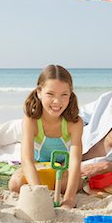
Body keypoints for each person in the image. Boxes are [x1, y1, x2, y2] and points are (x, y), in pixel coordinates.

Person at [8, 65, 83, 209]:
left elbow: (75, 161)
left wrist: (69, 198)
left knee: (76, 184)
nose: (57, 101)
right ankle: (44, 187)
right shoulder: (31, 120)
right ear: (39, 92)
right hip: (38, 168)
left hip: (61, 172)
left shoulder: (75, 123)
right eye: (50, 94)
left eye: (64, 95)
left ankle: (54, 187)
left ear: (71, 94)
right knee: (15, 184)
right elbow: (26, 160)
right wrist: (39, 193)